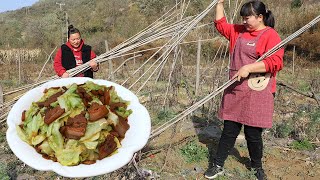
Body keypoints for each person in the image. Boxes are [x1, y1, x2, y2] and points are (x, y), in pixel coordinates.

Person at [204, 0, 284, 179]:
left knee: (253, 134)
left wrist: (249, 68)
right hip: (236, 89)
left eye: (248, 18)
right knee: (229, 130)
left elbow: (276, 62)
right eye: (243, 18)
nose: (245, 21)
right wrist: (219, 4)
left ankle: (257, 167)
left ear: (260, 17)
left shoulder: (271, 35)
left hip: (258, 91)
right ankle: (217, 165)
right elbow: (221, 25)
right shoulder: (239, 31)